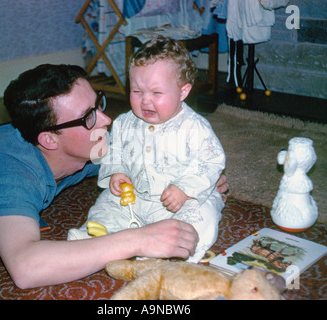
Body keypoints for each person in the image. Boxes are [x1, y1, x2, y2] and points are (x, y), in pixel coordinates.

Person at [0, 64, 229, 289]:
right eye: (88, 117)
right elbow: (26, 267)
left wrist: (196, 179)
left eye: (99, 104)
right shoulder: (8, 175)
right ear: (49, 140)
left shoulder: (90, 144)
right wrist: (140, 238)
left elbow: (142, 160)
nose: (107, 119)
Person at [68, 36, 226, 263]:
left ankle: (174, 252)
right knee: (106, 203)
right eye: (137, 91)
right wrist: (116, 172)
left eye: (156, 93)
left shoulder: (194, 127)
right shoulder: (124, 123)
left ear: (183, 92)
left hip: (176, 204)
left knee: (203, 215)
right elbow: (112, 151)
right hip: (135, 198)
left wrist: (184, 189)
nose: (145, 101)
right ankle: (93, 238)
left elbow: (211, 162)